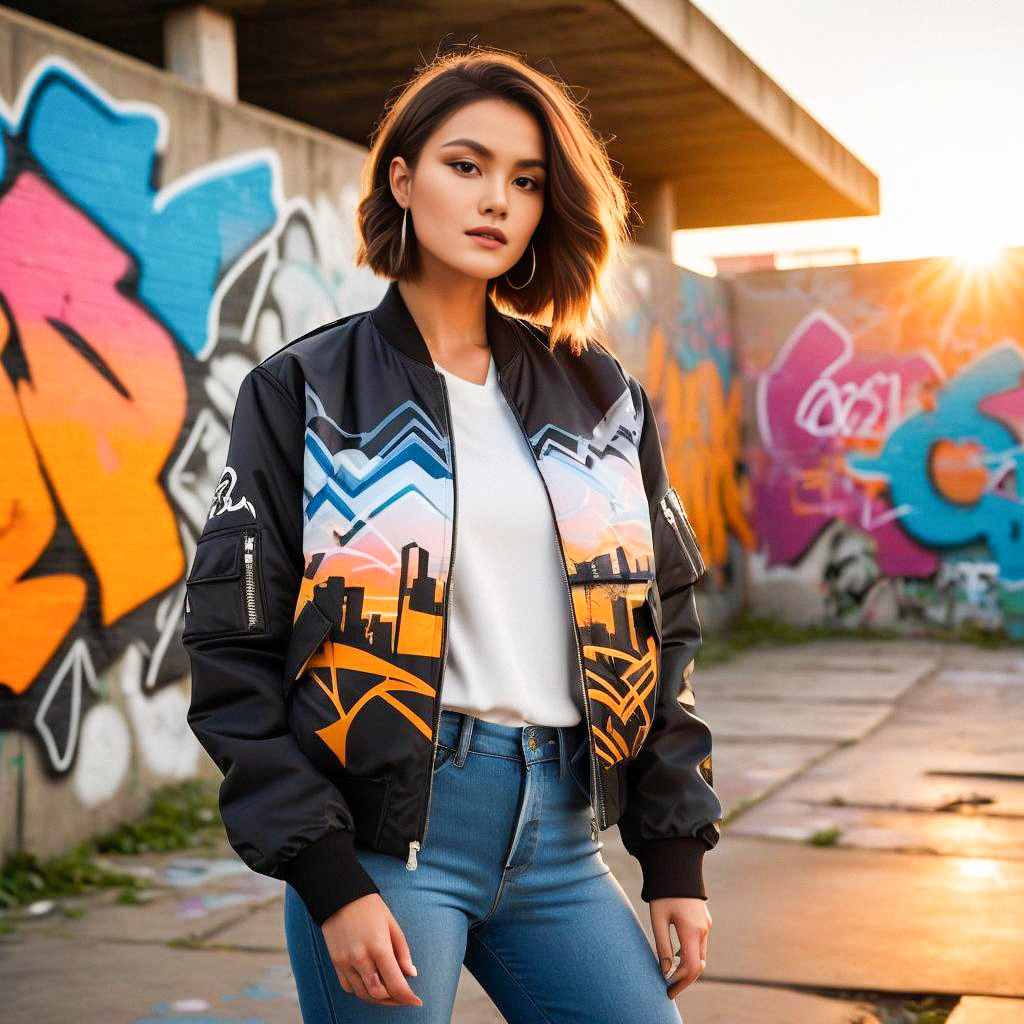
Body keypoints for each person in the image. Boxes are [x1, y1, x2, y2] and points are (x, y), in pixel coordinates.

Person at [182, 45, 721, 1023]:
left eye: (525, 180)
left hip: (560, 837)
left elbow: (661, 624)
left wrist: (672, 850)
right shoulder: (305, 391)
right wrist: (329, 876)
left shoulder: (600, 396)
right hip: (390, 840)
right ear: (402, 177)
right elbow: (232, 650)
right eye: (464, 165)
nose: (496, 202)